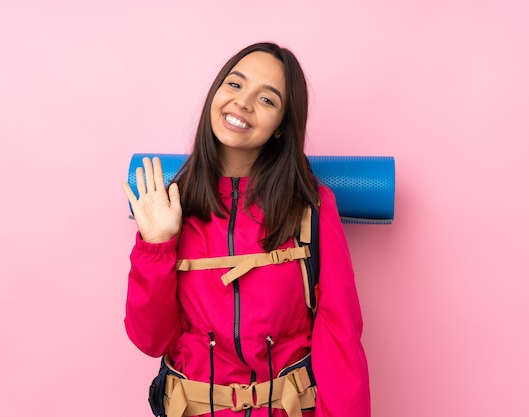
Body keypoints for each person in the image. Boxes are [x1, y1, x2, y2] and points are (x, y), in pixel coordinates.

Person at [122, 42, 370, 417]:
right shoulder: (172, 204)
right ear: (215, 94)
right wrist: (156, 245)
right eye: (235, 85)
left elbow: (341, 340)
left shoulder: (312, 207)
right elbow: (152, 339)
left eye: (267, 100)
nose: (243, 103)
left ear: (282, 127)